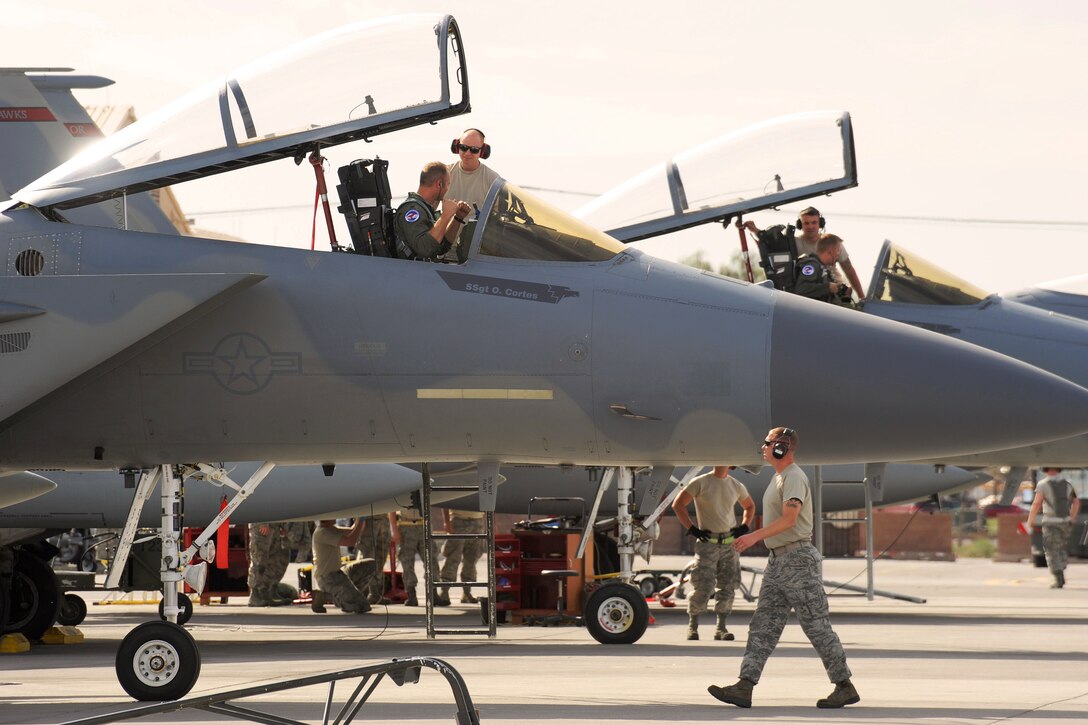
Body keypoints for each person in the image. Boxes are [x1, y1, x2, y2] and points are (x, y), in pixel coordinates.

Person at [708, 427, 859, 710]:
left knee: (816, 626)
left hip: (797, 561)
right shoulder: (780, 478)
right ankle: (744, 686)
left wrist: (754, 535)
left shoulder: (792, 477)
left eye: (767, 443)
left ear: (781, 447)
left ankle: (844, 686)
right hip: (779, 561)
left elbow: (790, 519)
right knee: (763, 625)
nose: (763, 448)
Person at [672, 466, 756, 641]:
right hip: (707, 544)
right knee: (703, 586)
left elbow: (749, 506)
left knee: (728, 586)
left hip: (729, 545)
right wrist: (692, 529)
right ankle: (693, 626)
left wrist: (744, 526)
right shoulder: (700, 482)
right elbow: (678, 505)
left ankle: (721, 628)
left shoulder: (736, 485)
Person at [745, 206, 865, 304]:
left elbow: (848, 268)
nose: (811, 226)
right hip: (810, 296)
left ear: (820, 224)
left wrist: (862, 297)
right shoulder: (794, 244)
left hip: (833, 295)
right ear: (800, 225)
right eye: (806, 223)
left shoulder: (832, 244)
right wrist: (755, 230)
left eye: (814, 222)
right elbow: (771, 246)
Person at [393, 161, 472, 261]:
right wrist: (445, 215)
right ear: (439, 184)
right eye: (448, 185)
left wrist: (457, 218)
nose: (447, 189)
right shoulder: (412, 210)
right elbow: (425, 249)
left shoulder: (424, 209)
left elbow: (440, 247)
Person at [1026, 467, 1081, 588]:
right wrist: (1072, 517)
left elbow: (1037, 503)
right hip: (1065, 522)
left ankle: (1058, 576)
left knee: (1051, 549)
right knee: (1061, 547)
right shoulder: (1068, 484)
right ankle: (1061, 569)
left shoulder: (1043, 484)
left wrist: (1030, 520)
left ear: (1046, 470)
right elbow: (1076, 502)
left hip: (1051, 522)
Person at [310, 518, 376, 614]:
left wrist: (359, 518)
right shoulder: (322, 533)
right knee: (361, 606)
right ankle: (324, 597)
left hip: (338, 573)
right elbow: (350, 541)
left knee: (371, 565)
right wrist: (361, 520)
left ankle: (350, 593)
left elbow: (354, 530)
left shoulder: (331, 529)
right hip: (328, 578)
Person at [389, 505, 446, 607]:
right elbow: (391, 509)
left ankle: (433, 594)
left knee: (431, 561)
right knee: (407, 563)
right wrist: (394, 530)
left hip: (423, 525)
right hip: (406, 526)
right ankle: (411, 595)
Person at [446, 128, 499, 215]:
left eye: (474, 149)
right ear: (456, 147)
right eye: (463, 147)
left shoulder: (493, 180)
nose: (467, 153)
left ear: (483, 152)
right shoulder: (444, 174)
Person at [438, 508, 486, 604]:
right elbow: (445, 502)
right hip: (458, 521)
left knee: (471, 560)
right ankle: (444, 592)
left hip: (477, 522)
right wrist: (446, 521)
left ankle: (467, 593)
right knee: (452, 559)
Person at [792, 234, 853, 305]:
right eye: (838, 250)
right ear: (830, 251)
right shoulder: (812, 265)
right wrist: (828, 287)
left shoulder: (823, 268)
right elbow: (801, 289)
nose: (838, 254)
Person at [247, 521, 292, 607]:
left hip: (273, 525)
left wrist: (283, 526)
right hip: (260, 524)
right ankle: (254, 594)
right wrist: (262, 521)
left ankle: (266, 592)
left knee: (271, 560)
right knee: (259, 560)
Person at [355, 514, 392, 605]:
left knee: (381, 556)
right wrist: (360, 520)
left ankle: (375, 594)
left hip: (383, 518)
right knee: (367, 558)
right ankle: (359, 593)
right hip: (368, 518)